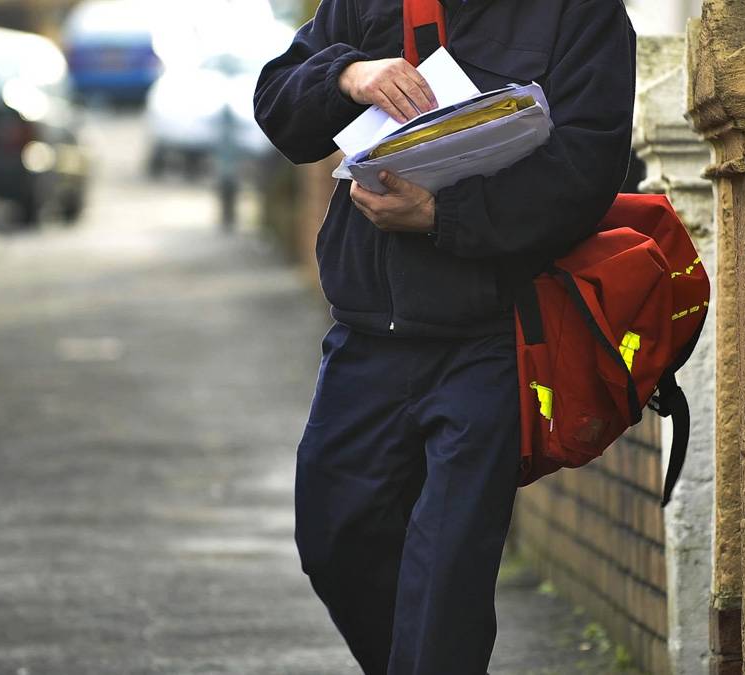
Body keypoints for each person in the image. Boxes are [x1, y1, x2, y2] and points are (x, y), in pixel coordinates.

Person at [253, 1, 635, 673]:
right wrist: (349, 75)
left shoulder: (582, 14)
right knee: (334, 538)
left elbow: (586, 172)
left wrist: (441, 213)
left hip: (491, 338)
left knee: (447, 576)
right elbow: (278, 104)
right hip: (367, 337)